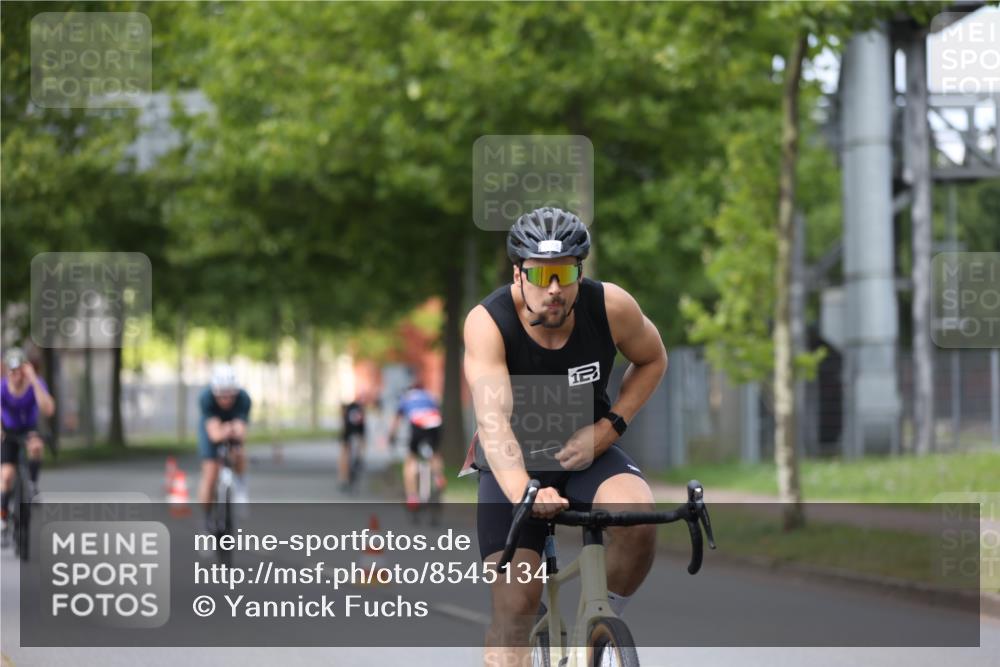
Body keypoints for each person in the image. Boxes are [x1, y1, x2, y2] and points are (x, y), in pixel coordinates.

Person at [462, 207, 668, 664]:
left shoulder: (611, 307)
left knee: (639, 517)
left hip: (587, 450)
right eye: (540, 274)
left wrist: (609, 427)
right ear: (519, 274)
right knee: (515, 607)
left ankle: (598, 629)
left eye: (565, 273)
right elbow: (493, 423)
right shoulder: (488, 323)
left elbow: (653, 359)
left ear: (580, 271)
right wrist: (523, 493)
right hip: (512, 462)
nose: (553, 289)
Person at [1, 348, 56, 544]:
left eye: (20, 371)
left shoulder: (35, 383)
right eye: (12, 371)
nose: (16, 376)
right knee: (6, 476)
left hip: (29, 430)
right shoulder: (2, 387)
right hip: (8, 432)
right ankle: (3, 516)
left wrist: (33, 379)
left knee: (36, 447)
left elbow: (48, 409)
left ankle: (32, 484)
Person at [197, 363, 251, 529]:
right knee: (210, 474)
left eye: (230, 396)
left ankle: (241, 485)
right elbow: (214, 435)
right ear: (215, 393)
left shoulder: (243, 398)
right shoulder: (205, 397)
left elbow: (241, 432)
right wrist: (225, 430)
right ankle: (206, 520)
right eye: (221, 396)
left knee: (239, 451)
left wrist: (234, 431)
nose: (226, 400)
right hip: (212, 426)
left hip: (232, 424)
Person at [388, 379, 444, 508]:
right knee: (435, 454)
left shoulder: (406, 397)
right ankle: (438, 477)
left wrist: (391, 436)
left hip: (417, 424)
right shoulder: (430, 396)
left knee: (411, 459)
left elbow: (397, 419)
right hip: (434, 422)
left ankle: (412, 496)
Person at [339, 393, 367, 490]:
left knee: (345, 453)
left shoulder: (350, 407)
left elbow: (344, 421)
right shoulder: (360, 409)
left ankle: (343, 478)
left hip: (349, 432)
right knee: (357, 444)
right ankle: (359, 459)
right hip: (355, 431)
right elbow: (362, 428)